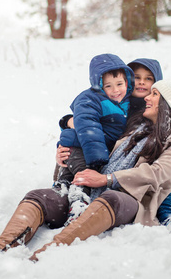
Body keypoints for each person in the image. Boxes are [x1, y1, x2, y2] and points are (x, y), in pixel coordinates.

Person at [0, 79, 171, 265]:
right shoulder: (134, 129)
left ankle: (43, 256)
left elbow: (158, 173)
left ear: (169, 105)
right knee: (39, 196)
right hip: (89, 193)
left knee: (112, 197)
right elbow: (94, 143)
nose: (148, 97)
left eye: (155, 94)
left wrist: (109, 179)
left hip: (130, 201)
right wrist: (63, 157)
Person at [57, 58, 171, 240]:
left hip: (143, 172)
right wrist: (68, 124)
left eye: (149, 79)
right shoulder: (118, 104)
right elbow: (90, 123)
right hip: (108, 161)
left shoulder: (158, 111)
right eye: (137, 78)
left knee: (161, 188)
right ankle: (72, 197)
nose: (142, 82)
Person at [55, 53, 135, 226]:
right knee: (83, 174)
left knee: (71, 175)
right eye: (108, 86)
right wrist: (97, 159)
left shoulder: (129, 102)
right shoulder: (90, 99)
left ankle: (63, 192)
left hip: (89, 146)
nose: (115, 90)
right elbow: (87, 125)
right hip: (80, 147)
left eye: (120, 84)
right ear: (98, 85)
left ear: (128, 81)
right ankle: (77, 204)